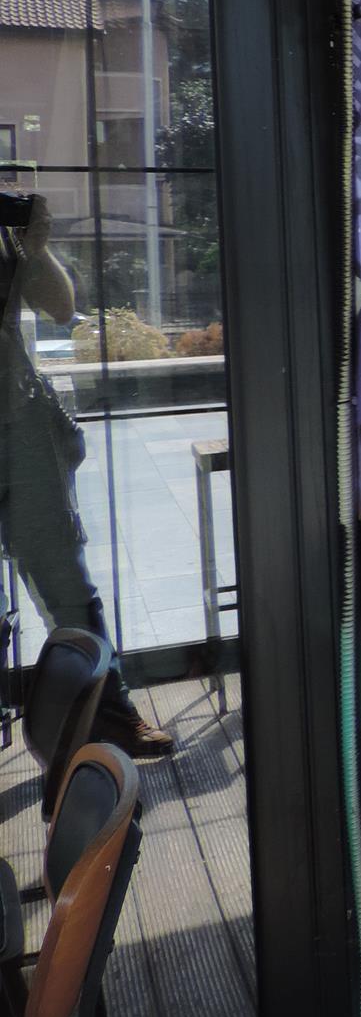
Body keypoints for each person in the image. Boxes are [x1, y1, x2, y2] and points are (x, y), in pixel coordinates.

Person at [0, 193, 175, 755]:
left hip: (19, 426)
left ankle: (111, 714)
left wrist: (36, 247)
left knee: (69, 587)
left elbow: (57, 306)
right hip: (19, 424)